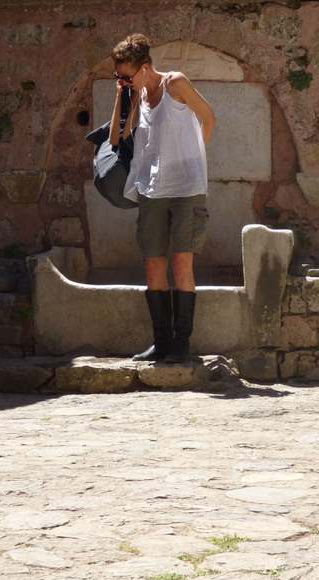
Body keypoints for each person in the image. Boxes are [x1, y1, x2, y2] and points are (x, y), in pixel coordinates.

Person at [110, 34, 216, 364]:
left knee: (182, 264)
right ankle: (161, 343)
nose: (123, 80)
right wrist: (123, 96)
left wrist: (192, 158)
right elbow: (117, 138)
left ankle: (182, 344)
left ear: (144, 67)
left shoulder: (175, 83)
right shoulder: (138, 97)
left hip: (186, 190)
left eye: (126, 76)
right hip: (151, 190)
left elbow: (209, 117)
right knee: (153, 264)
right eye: (118, 76)